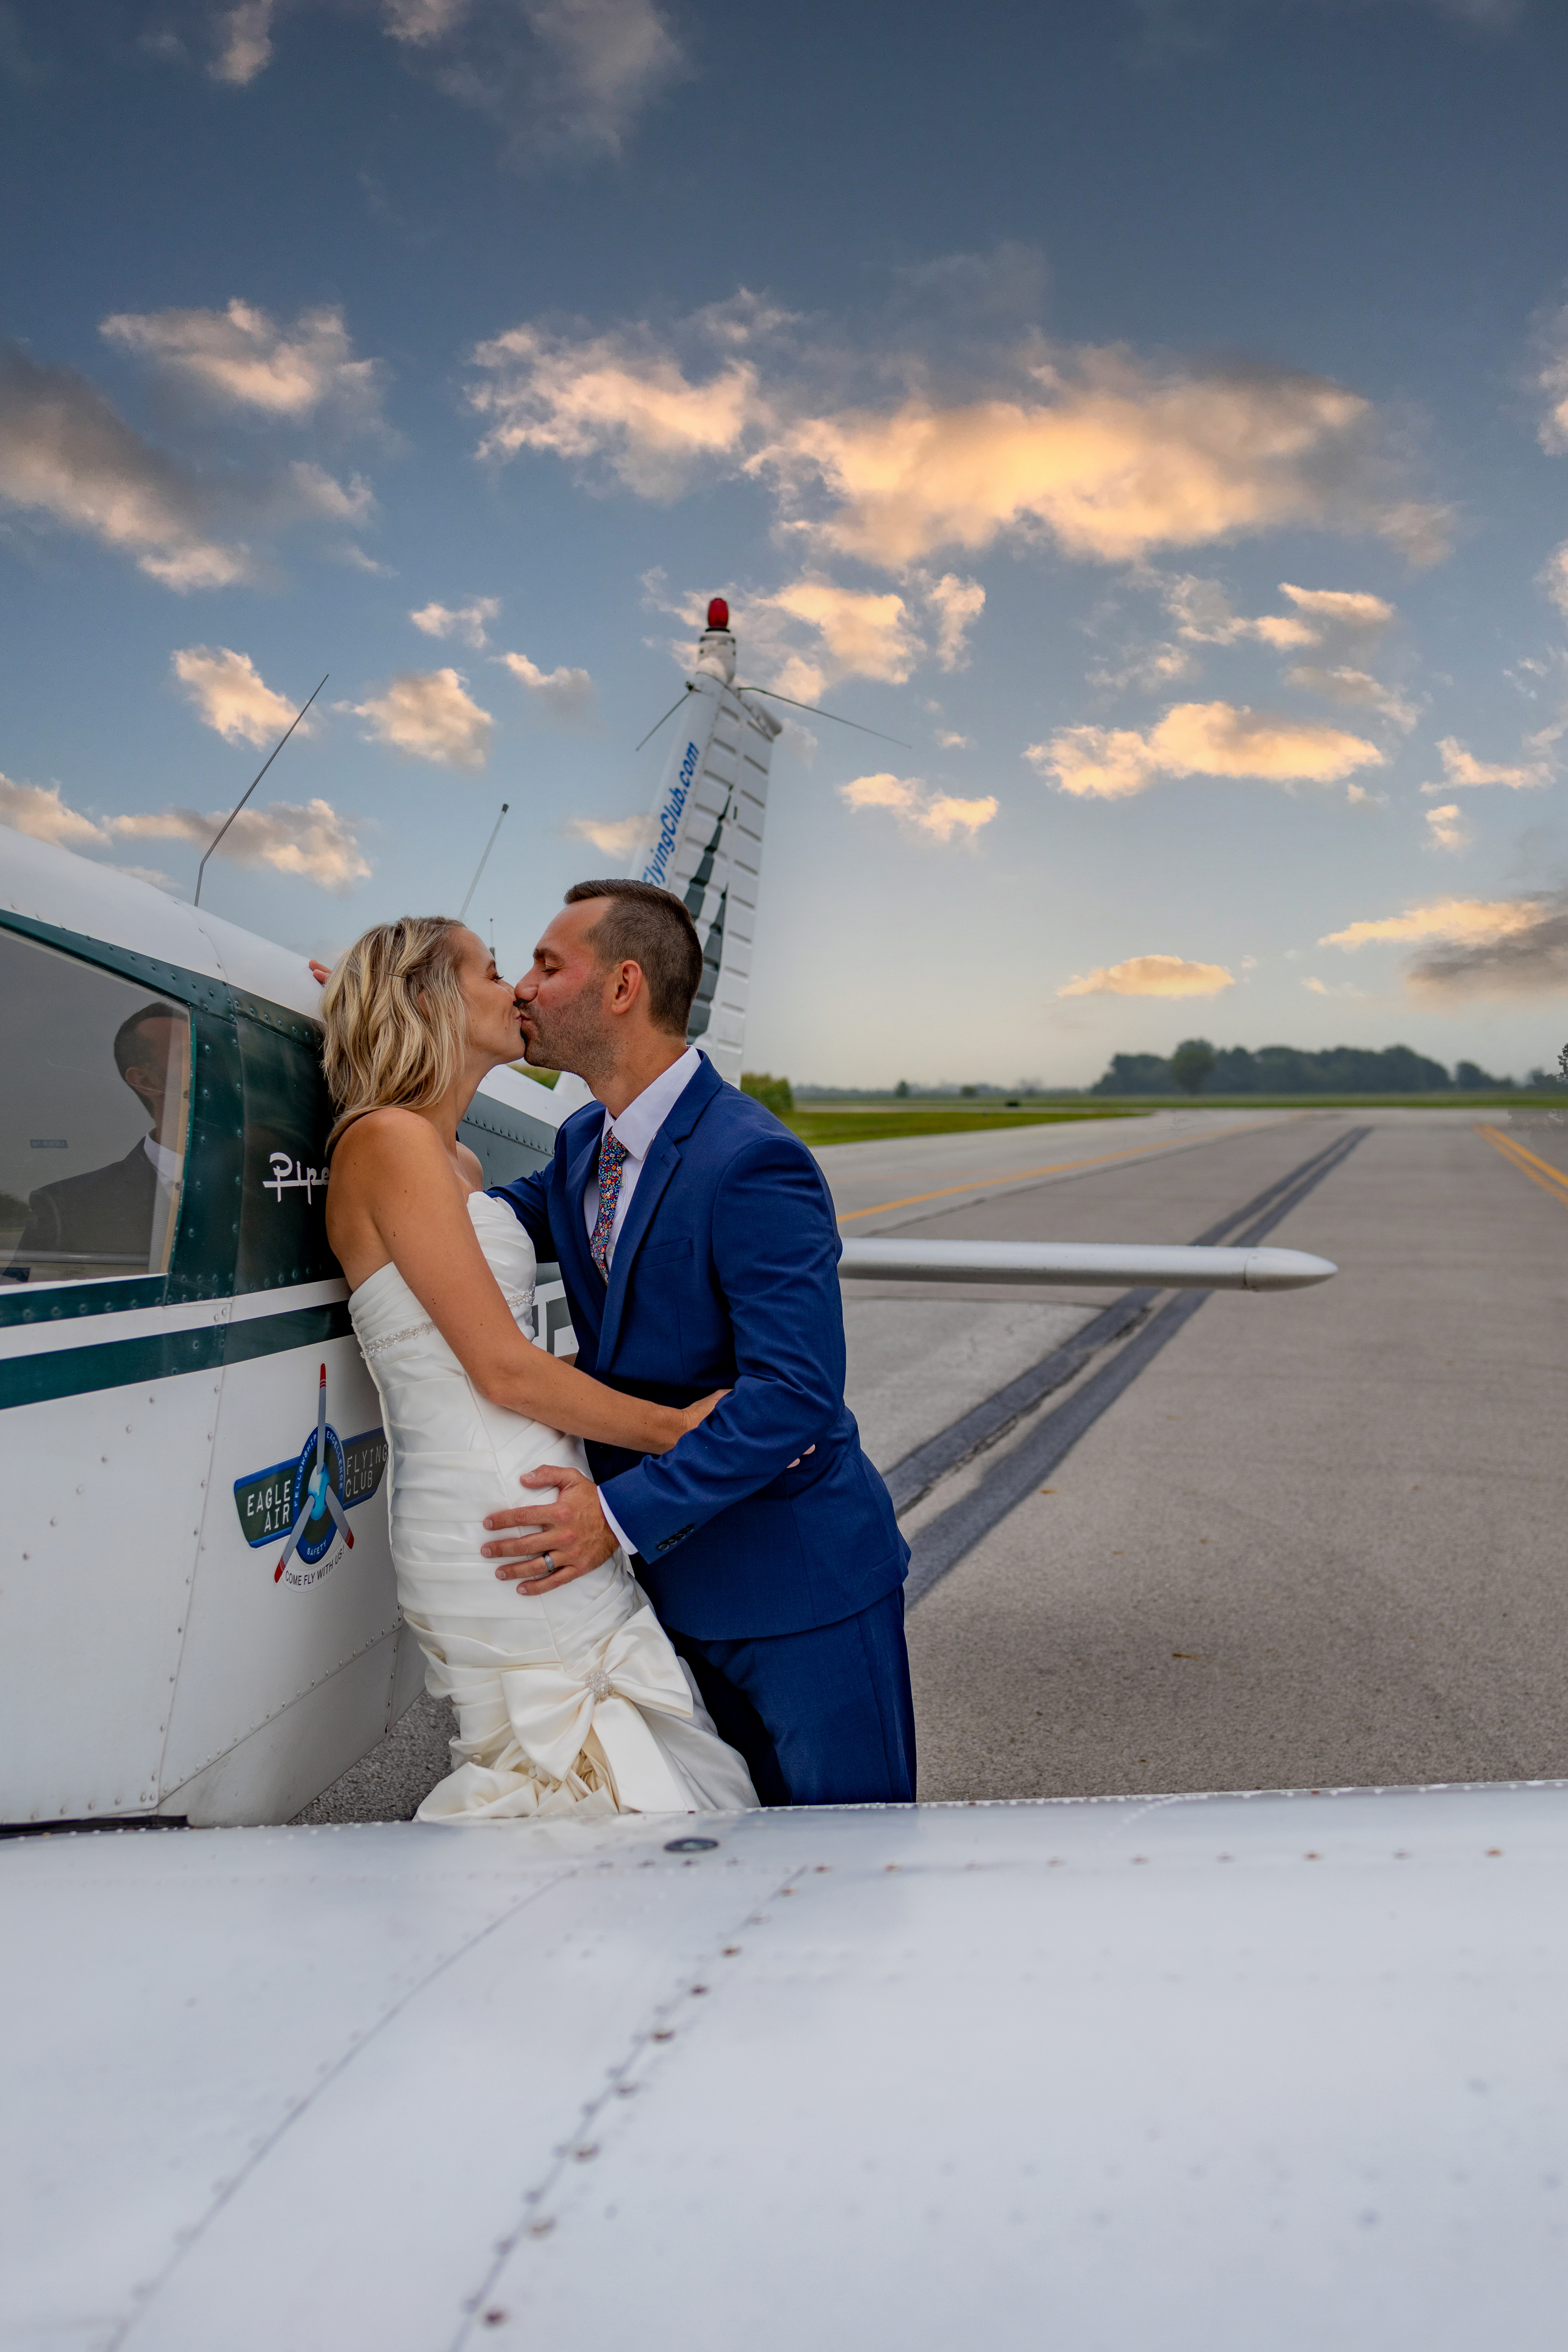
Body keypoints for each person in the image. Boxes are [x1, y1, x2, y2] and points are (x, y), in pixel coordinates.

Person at [482, 879, 916, 1808]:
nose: (523, 987)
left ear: (622, 986)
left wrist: (616, 1515)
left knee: (854, 1864)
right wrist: (381, 1038)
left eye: (548, 966)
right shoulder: (576, 1146)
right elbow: (467, 1224)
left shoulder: (751, 1159)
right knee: (724, 1861)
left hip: (797, 1584)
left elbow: (792, 1393)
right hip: (669, 1593)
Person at [319, 915, 757, 1822]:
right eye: (489, 971)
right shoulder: (387, 1142)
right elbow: (503, 1371)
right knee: (582, 1782)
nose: (516, 987)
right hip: (493, 1518)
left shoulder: (457, 1158)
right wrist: (676, 1430)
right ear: (427, 1000)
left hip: (537, 1495)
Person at [10, 1000, 187, 1283]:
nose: (213, 1064)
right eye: (188, 1054)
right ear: (145, 1080)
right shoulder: (64, 1208)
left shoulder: (262, 1176)